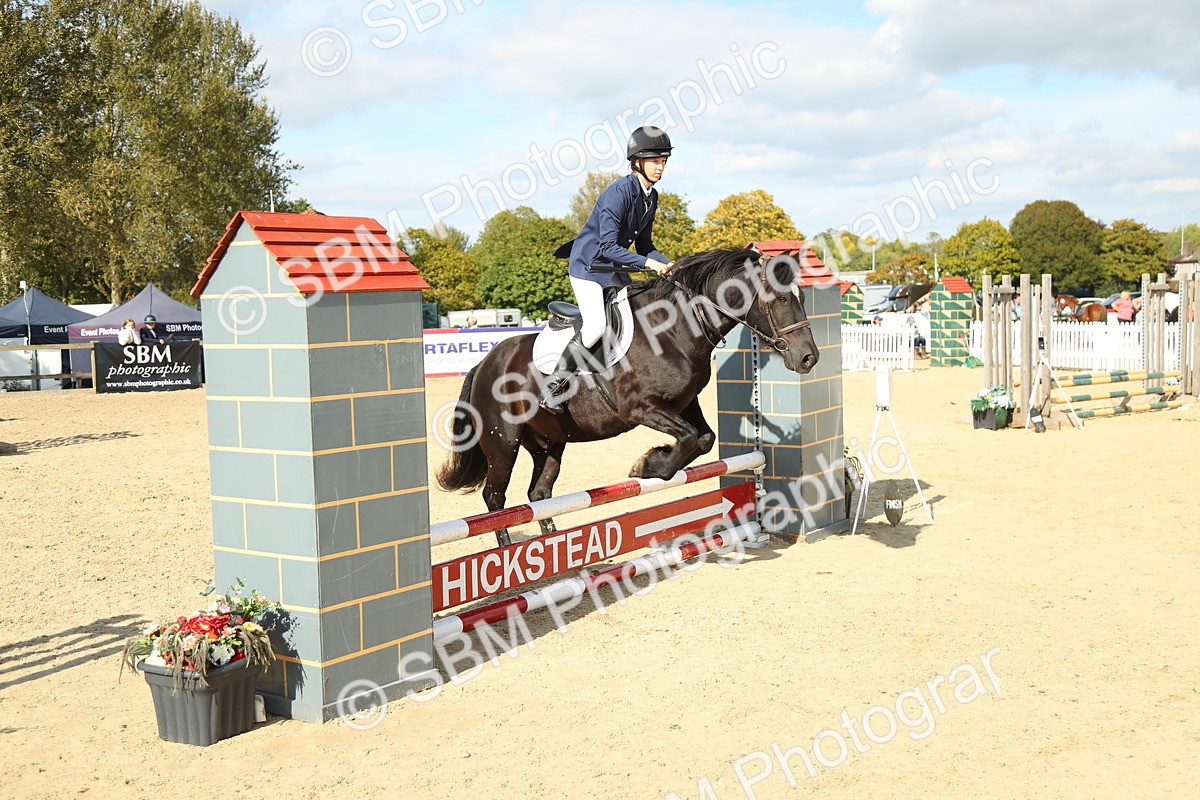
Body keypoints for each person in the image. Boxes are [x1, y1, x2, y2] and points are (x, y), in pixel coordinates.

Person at [539, 125, 675, 414]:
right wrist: (650, 264)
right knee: (596, 326)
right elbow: (607, 247)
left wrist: (668, 264)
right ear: (637, 161)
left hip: (612, 266)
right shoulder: (619, 192)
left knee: (638, 314)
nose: (660, 167)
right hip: (588, 265)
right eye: (654, 161)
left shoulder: (651, 197)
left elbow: (645, 245)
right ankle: (553, 386)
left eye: (663, 161)